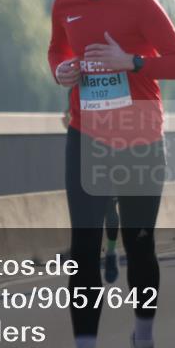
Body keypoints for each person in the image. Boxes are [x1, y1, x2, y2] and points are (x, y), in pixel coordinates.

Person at [48, 0, 175, 348]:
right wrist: (64, 69)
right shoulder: (64, 4)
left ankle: (144, 341)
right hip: (86, 134)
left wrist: (131, 61)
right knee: (84, 248)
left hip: (139, 136)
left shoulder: (140, 4)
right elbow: (57, 51)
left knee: (140, 246)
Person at [63, 104, 119, 284]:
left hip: (115, 145)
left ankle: (110, 252)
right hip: (87, 146)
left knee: (110, 207)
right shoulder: (75, 82)